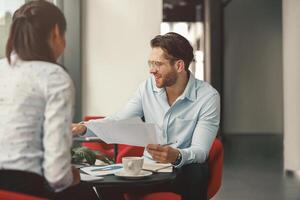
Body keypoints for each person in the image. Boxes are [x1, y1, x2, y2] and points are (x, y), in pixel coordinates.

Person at [73, 32, 220, 200]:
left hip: (182, 171)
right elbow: (119, 120)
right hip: (150, 170)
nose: (152, 70)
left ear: (179, 66)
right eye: (150, 63)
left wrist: (177, 155)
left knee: (197, 171)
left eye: (157, 64)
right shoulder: (147, 88)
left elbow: (201, 151)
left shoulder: (208, 97)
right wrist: (84, 127)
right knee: (107, 182)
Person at [0, 1, 98, 199]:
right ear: (56, 32)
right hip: (24, 187)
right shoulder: (54, 76)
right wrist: (71, 177)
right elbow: (56, 175)